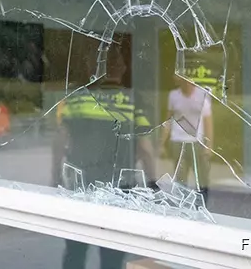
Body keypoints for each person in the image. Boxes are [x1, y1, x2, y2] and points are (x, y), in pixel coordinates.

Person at [52, 42, 155, 269]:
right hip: (119, 190)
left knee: (75, 252)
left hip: (80, 187)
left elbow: (59, 142)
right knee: (112, 257)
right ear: (120, 68)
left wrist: (55, 179)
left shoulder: (76, 98)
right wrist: (152, 183)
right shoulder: (132, 100)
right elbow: (145, 148)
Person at [161, 73, 213, 203]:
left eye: (189, 82)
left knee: (201, 178)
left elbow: (208, 123)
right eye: (183, 81)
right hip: (178, 142)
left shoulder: (202, 97)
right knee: (180, 179)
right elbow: (168, 120)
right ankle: (182, 207)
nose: (187, 84)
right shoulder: (174, 96)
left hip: (197, 143)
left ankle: (202, 205)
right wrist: (162, 143)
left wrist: (209, 147)